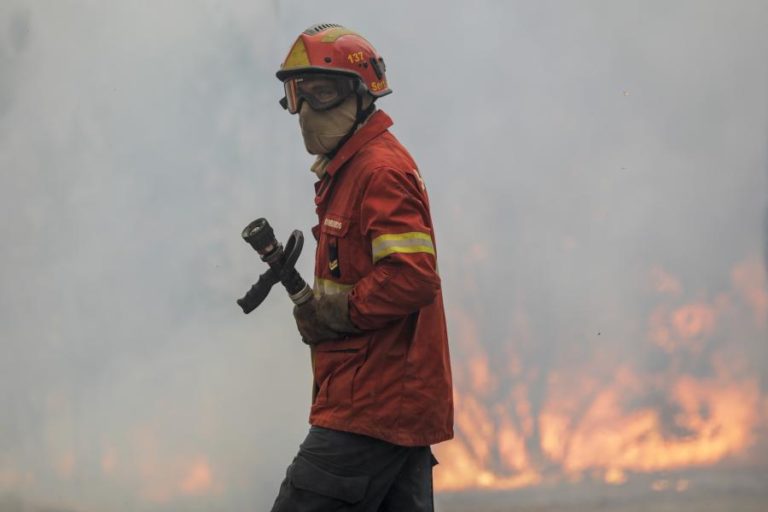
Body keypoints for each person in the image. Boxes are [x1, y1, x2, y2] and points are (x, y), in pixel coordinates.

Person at [270, 24, 453, 512]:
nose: (307, 111)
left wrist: (337, 312)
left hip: (369, 405)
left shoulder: (378, 172)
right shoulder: (349, 171)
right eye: (297, 96)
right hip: (383, 406)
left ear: (361, 95)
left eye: (322, 93)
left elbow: (413, 276)